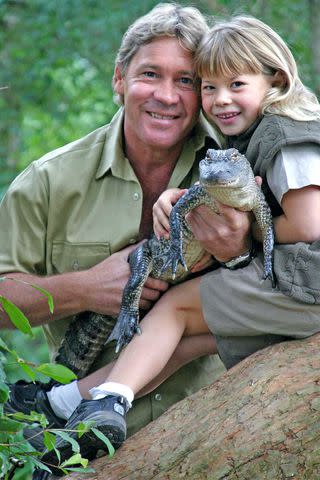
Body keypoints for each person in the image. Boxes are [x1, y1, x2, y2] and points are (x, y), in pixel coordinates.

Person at [37, 13, 320, 467]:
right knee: (188, 337)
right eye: (208, 87)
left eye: (237, 85)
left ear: (277, 80)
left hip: (307, 285)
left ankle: (103, 401)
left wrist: (246, 238)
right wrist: (179, 198)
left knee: (175, 309)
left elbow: (307, 226)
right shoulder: (254, 132)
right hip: (300, 287)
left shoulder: (286, 137)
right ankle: (67, 404)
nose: (220, 99)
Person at [0, 3, 251, 466]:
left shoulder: (234, 165)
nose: (167, 96)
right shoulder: (48, 181)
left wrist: (237, 250)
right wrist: (84, 289)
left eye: (186, 81)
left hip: (224, 431)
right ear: (119, 79)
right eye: (150, 74)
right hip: (80, 449)